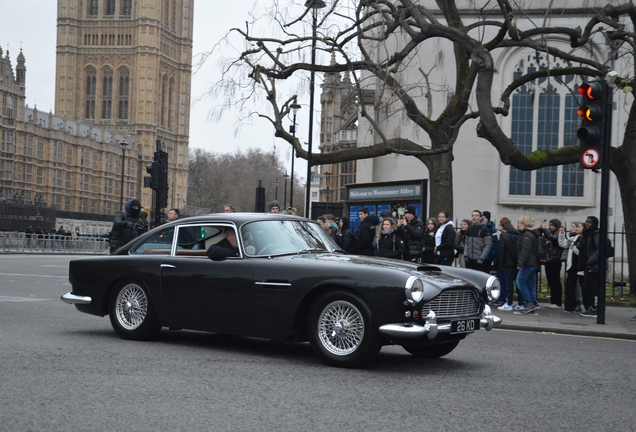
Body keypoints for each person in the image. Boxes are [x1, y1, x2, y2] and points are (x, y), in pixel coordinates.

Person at [514, 216, 540, 314]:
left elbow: (526, 249)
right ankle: (532, 303)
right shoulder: (531, 233)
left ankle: (529, 303)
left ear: (524, 224)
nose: (518, 225)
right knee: (530, 283)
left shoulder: (527, 235)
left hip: (528, 262)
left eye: (519, 223)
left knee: (520, 281)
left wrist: (520, 263)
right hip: (532, 262)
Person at [559, 222, 584, 313]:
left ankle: (574, 305)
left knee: (574, 286)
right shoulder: (574, 238)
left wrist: (574, 248)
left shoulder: (581, 238)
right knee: (570, 286)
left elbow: (581, 253)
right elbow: (564, 244)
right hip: (571, 265)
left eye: (578, 227)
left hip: (576, 265)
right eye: (574, 227)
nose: (575, 229)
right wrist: (562, 234)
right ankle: (570, 305)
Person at [539, 218, 564, 309]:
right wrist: (541, 229)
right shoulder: (549, 233)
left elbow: (552, 239)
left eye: (552, 225)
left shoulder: (559, 235)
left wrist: (545, 230)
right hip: (549, 259)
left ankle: (557, 301)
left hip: (556, 260)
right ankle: (553, 300)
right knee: (550, 281)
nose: (550, 227)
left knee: (555, 281)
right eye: (549, 225)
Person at [579, 216, 601, 318]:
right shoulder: (588, 234)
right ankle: (591, 308)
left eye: (589, 222)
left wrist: (590, 261)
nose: (587, 224)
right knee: (588, 288)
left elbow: (599, 250)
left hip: (594, 266)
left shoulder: (596, 234)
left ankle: (595, 308)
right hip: (588, 265)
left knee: (593, 289)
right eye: (586, 222)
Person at [496, 222, 520, 311]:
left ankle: (508, 302)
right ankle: (520, 302)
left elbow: (501, 251)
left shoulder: (504, 236)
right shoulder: (517, 236)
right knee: (516, 283)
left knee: (508, 284)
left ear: (505, 230)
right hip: (515, 263)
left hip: (507, 263)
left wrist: (501, 264)